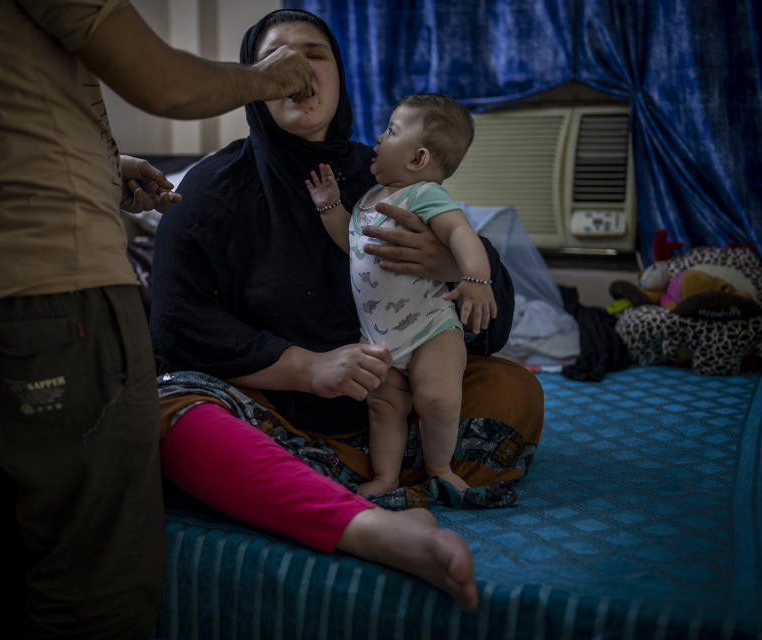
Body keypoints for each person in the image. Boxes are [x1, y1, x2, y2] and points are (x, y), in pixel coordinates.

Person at [0, 0, 316, 637]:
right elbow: (166, 83)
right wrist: (270, 77)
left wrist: (94, 168)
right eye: (298, 56)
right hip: (52, 298)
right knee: (97, 581)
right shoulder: (221, 185)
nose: (305, 69)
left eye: (316, 56)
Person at [150, 9, 545, 614]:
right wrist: (306, 368)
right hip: (272, 413)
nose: (295, 68)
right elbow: (175, 325)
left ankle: (323, 483)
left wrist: (449, 265)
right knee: (163, 412)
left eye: (315, 54)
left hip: (389, 405)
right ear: (249, 83)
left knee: (512, 390)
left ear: (339, 77)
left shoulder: (390, 172)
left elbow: (489, 317)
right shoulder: (209, 191)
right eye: (274, 57)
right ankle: (365, 492)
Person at [304, 93, 493, 496]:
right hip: (377, 335)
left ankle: (439, 467)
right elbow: (351, 243)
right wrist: (329, 206)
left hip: (430, 327)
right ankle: (385, 478)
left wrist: (477, 280)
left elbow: (461, 233)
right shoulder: (369, 200)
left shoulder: (424, 196)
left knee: (437, 399)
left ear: (417, 159)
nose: (379, 137)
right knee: (383, 407)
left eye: (391, 131)